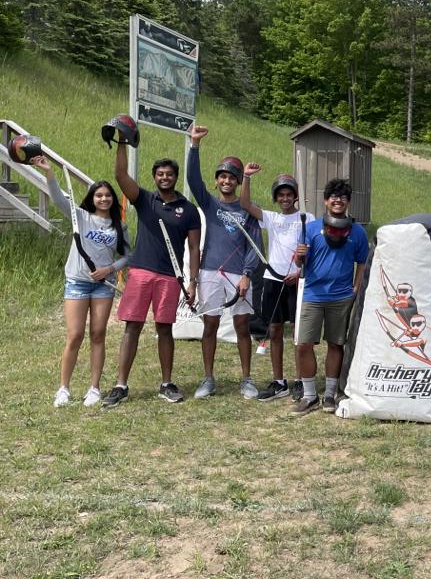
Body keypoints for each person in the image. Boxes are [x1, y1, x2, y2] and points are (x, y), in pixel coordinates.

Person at [102, 145, 201, 407]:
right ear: (154, 177)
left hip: (170, 276)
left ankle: (167, 384)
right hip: (141, 272)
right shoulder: (145, 199)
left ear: (175, 177)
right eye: (160, 174)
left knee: (164, 329)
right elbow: (121, 175)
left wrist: (193, 282)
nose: (164, 177)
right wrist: (122, 142)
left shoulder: (188, 210)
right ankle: (120, 385)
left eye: (169, 174)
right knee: (132, 327)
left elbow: (193, 247)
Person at [33, 157, 129, 408]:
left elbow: (130, 256)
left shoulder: (119, 227)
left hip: (103, 286)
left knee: (98, 334)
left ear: (113, 199)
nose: (104, 199)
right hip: (77, 282)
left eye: (108, 195)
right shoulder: (81, 217)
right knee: (74, 335)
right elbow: (57, 199)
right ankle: (63, 388)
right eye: (99, 195)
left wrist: (110, 268)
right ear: (92, 198)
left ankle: (94, 388)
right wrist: (49, 173)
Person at [187, 125, 262, 400]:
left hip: (238, 275)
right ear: (217, 180)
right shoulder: (209, 204)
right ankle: (208, 379)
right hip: (210, 272)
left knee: (242, 326)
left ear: (238, 182)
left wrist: (247, 274)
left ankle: (246, 379)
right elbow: (193, 181)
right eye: (222, 176)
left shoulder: (247, 210)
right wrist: (194, 146)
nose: (227, 181)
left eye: (232, 177)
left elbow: (255, 245)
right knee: (210, 325)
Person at [239, 163, 316, 402]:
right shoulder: (270, 218)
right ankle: (279, 381)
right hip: (273, 279)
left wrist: (299, 270)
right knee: (274, 330)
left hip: (298, 280)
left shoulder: (307, 218)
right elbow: (245, 204)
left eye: (289, 194)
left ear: (295, 196)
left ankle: (301, 381)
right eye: (281, 195)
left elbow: (312, 249)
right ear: (276, 197)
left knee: (299, 334)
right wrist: (246, 177)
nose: (285, 198)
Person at [292, 179, 368, 415]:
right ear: (326, 200)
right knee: (303, 344)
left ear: (348, 202)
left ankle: (330, 395)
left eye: (343, 197)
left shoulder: (358, 232)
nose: (337, 200)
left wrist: (355, 289)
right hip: (312, 295)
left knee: (336, 344)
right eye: (333, 196)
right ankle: (309, 395)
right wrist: (299, 256)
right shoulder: (311, 228)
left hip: (341, 297)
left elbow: (362, 263)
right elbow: (299, 262)